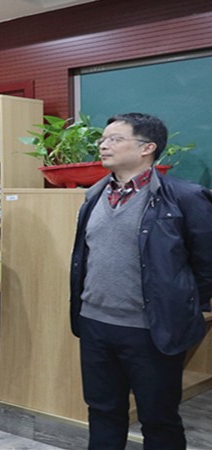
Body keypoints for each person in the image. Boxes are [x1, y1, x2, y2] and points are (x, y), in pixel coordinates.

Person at [69, 113, 212, 450]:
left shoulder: (186, 197)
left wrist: (178, 303)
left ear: (147, 148)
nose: (103, 145)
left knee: (159, 418)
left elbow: (206, 265)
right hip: (94, 324)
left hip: (151, 329)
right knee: (102, 411)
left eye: (115, 139)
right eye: (103, 139)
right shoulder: (94, 195)